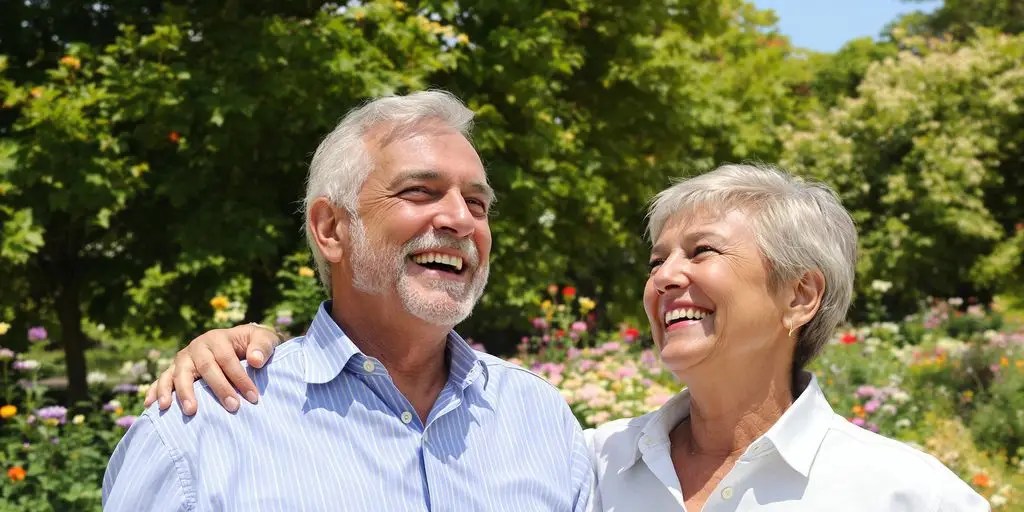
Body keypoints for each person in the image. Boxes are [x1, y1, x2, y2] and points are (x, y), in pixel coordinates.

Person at [156, 163, 991, 511]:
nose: (665, 277)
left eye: (702, 253)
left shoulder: (905, 495)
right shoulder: (586, 461)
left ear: (800, 295)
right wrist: (254, 339)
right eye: (658, 256)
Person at [102, 90, 594, 511]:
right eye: (420, 191)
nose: (461, 220)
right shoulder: (203, 427)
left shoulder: (539, 418)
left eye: (477, 203)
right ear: (330, 229)